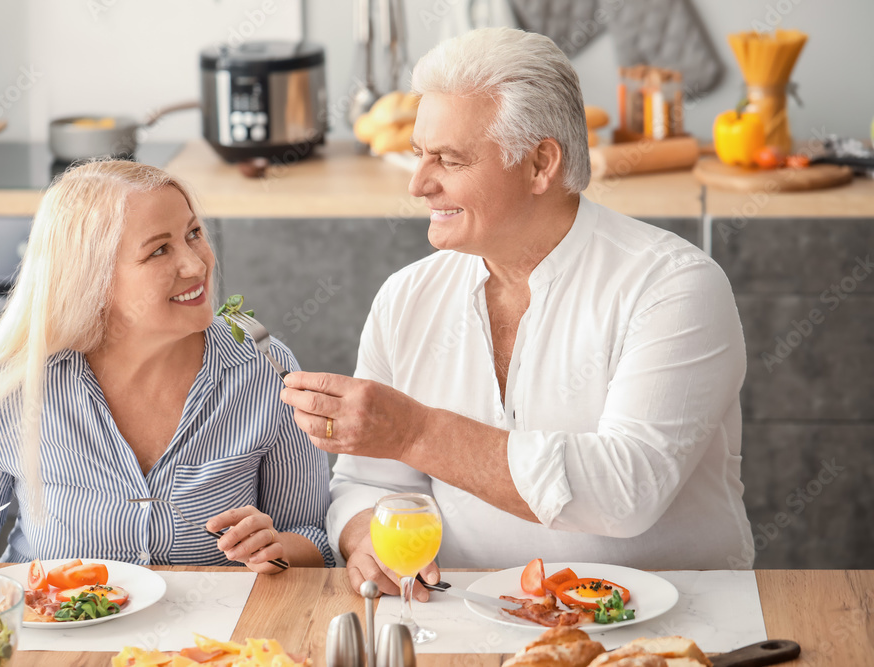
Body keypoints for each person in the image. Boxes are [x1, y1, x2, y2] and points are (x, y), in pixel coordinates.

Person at [279, 27, 753, 598]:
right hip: (462, 615)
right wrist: (363, 539)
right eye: (418, 155)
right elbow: (366, 482)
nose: (419, 184)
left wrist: (416, 431)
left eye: (448, 159)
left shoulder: (675, 287)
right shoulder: (406, 297)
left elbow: (628, 492)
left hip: (675, 627)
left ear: (539, 164)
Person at [0, 160, 334, 574]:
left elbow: (316, 539)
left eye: (193, 233)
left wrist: (277, 548)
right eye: (159, 250)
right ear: (92, 279)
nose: (195, 264)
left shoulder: (263, 369)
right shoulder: (15, 386)